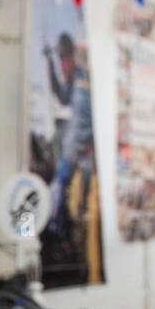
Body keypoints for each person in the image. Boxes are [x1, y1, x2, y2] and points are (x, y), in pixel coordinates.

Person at [44, 31, 94, 235]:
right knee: (59, 183)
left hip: (87, 149)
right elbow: (62, 97)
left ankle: (75, 223)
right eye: (60, 60)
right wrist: (49, 66)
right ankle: (54, 227)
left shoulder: (86, 75)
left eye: (64, 59)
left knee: (84, 188)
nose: (62, 65)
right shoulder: (74, 79)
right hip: (73, 148)